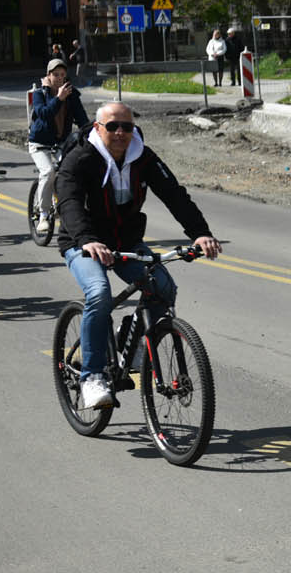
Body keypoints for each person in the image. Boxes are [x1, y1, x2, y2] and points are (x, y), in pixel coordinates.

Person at [55, 102, 221, 410]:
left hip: (126, 242)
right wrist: (88, 240)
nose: (120, 133)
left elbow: (174, 194)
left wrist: (199, 232)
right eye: (112, 126)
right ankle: (92, 377)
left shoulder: (142, 157)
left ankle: (129, 347)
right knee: (99, 292)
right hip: (82, 242)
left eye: (127, 127)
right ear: (97, 128)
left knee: (163, 288)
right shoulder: (80, 159)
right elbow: (69, 201)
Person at [28, 57, 90, 233]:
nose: (59, 78)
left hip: (62, 142)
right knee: (48, 171)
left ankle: (71, 209)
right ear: (48, 75)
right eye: (55, 74)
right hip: (39, 143)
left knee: (72, 172)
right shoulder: (40, 94)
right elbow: (44, 114)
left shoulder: (72, 94)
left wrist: (92, 133)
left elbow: (82, 119)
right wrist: (59, 98)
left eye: (62, 75)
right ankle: (43, 214)